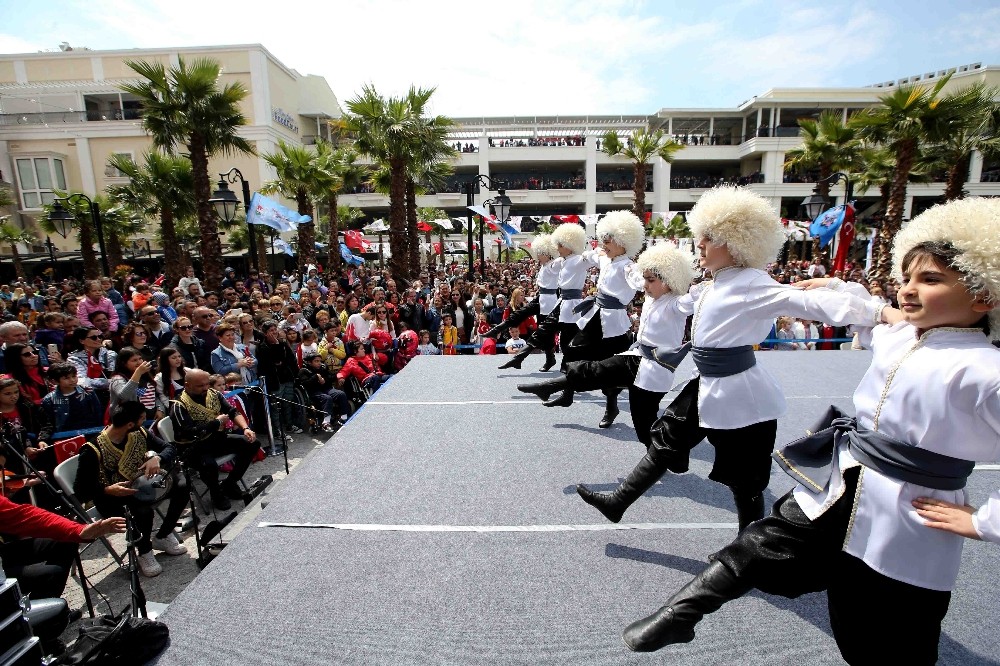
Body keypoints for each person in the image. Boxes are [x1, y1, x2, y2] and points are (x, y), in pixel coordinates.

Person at [617, 196, 999, 664]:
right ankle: (681, 614)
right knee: (760, 545)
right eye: (907, 278)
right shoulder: (902, 335)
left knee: (886, 636)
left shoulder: (985, 371)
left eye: (931, 280)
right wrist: (841, 287)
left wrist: (982, 522)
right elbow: (868, 314)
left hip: (910, 511)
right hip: (845, 479)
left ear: (984, 296)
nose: (908, 290)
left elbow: (847, 312)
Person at [575, 186, 893, 531]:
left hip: (742, 395)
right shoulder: (718, 282)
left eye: (709, 237)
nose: (700, 244)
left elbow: (810, 304)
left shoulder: (751, 283)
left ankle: (749, 539)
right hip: (706, 384)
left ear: (736, 243)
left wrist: (877, 310)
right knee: (666, 441)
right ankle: (618, 501)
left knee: (746, 480)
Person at [517, 243, 694, 446]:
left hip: (645, 357)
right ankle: (555, 388)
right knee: (591, 365)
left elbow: (692, 300)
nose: (645, 285)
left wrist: (710, 287)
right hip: (630, 350)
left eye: (650, 280)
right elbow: (590, 256)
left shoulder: (674, 301)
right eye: (645, 279)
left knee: (644, 421)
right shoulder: (649, 295)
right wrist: (590, 252)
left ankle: (659, 452)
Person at [74, 401, 188, 578]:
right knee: (143, 511)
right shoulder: (92, 450)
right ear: (129, 424)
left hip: (142, 487)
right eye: (141, 419)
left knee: (182, 486)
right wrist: (107, 489)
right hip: (111, 498)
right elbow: (81, 489)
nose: (144, 422)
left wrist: (157, 458)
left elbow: (169, 448)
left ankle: (163, 535)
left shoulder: (139, 433)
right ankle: (144, 551)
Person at [168, 369, 256, 511]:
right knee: (208, 465)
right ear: (187, 385)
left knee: (252, 443)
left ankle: (229, 483)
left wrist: (245, 428)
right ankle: (216, 494)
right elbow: (189, 433)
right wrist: (216, 422)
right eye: (200, 386)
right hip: (194, 448)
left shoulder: (214, 394)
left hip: (217, 439)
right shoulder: (178, 405)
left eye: (207, 384)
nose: (205, 388)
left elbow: (232, 411)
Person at [37, 364, 103, 447]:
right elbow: (47, 424)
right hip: (65, 439)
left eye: (74, 376)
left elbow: (98, 414)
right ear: (55, 381)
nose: (72, 380)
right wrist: (43, 439)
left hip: (90, 435)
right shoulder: (49, 400)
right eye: (66, 378)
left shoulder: (88, 392)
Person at [108, 347, 164, 423]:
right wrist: (138, 373)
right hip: (127, 422)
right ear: (124, 363)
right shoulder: (117, 379)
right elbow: (124, 395)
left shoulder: (145, 376)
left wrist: (160, 409)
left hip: (150, 421)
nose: (139, 362)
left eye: (140, 359)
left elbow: (152, 396)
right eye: (134, 360)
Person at [66, 327, 117, 408]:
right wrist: (109, 382)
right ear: (81, 341)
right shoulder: (74, 359)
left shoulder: (110, 354)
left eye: (100, 336)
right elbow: (82, 381)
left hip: (115, 395)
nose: (98, 339)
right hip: (93, 398)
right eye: (94, 337)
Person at [298, 353, 349, 432]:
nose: (319, 363)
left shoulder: (323, 368)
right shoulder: (303, 371)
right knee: (327, 398)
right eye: (316, 361)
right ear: (310, 362)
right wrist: (316, 377)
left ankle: (343, 418)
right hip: (313, 392)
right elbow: (305, 383)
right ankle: (326, 422)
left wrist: (325, 380)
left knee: (341, 394)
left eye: (320, 361)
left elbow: (331, 377)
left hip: (326, 389)